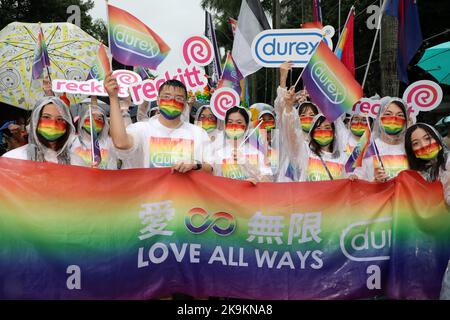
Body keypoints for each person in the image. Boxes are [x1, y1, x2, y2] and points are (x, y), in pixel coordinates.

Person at [104, 73, 212, 173]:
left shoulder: (198, 133)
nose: (172, 101)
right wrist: (113, 98)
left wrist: (195, 165)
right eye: (166, 97)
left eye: (178, 98)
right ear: (158, 101)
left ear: (184, 104)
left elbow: (211, 168)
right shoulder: (142, 129)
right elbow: (121, 143)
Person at [281, 87, 348, 182]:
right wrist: (288, 106)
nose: (323, 132)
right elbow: (290, 134)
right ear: (312, 133)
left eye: (327, 128)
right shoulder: (305, 152)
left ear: (334, 133)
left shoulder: (343, 158)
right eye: (318, 128)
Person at [2, 96, 80, 164]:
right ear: (35, 120)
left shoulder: (76, 162)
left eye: (60, 119)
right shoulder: (13, 158)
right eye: (46, 117)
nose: (53, 124)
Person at [210, 106, 272, 183]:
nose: (234, 126)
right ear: (225, 125)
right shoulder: (217, 151)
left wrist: (246, 163)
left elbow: (268, 181)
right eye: (230, 122)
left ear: (246, 126)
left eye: (239, 122)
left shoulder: (256, 152)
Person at [353, 98, 410, 182]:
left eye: (400, 115)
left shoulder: (410, 147)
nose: (394, 119)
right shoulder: (367, 146)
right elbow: (358, 181)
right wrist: (375, 181)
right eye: (388, 114)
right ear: (379, 118)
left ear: (406, 120)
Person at [404, 123, 450, 205]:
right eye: (415, 143)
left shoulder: (448, 163)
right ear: (412, 151)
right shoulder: (416, 175)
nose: (424, 145)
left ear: (438, 139)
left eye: (427, 138)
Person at [70, 99, 119, 169]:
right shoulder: (72, 141)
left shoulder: (109, 142)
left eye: (99, 119)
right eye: (90, 118)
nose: (94, 121)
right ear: (82, 121)